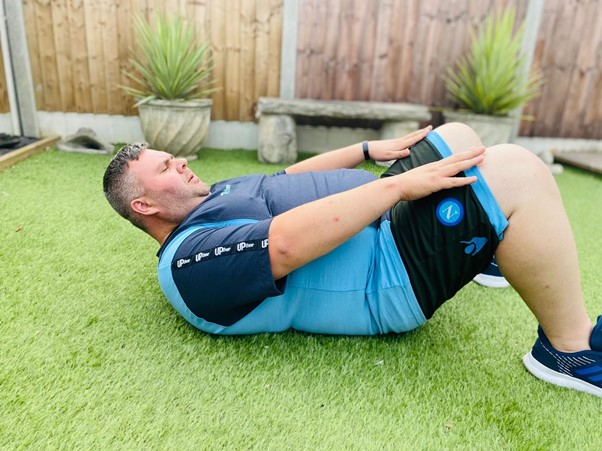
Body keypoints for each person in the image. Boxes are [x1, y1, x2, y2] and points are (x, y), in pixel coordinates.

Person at [103, 122, 602, 397]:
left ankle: (489, 241)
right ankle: (569, 351)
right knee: (517, 170)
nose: (181, 161)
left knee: (459, 137)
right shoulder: (188, 263)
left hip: (382, 219)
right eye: (166, 167)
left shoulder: (215, 196)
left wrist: (366, 149)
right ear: (144, 206)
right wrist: (401, 187)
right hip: (388, 274)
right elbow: (284, 245)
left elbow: (286, 179)